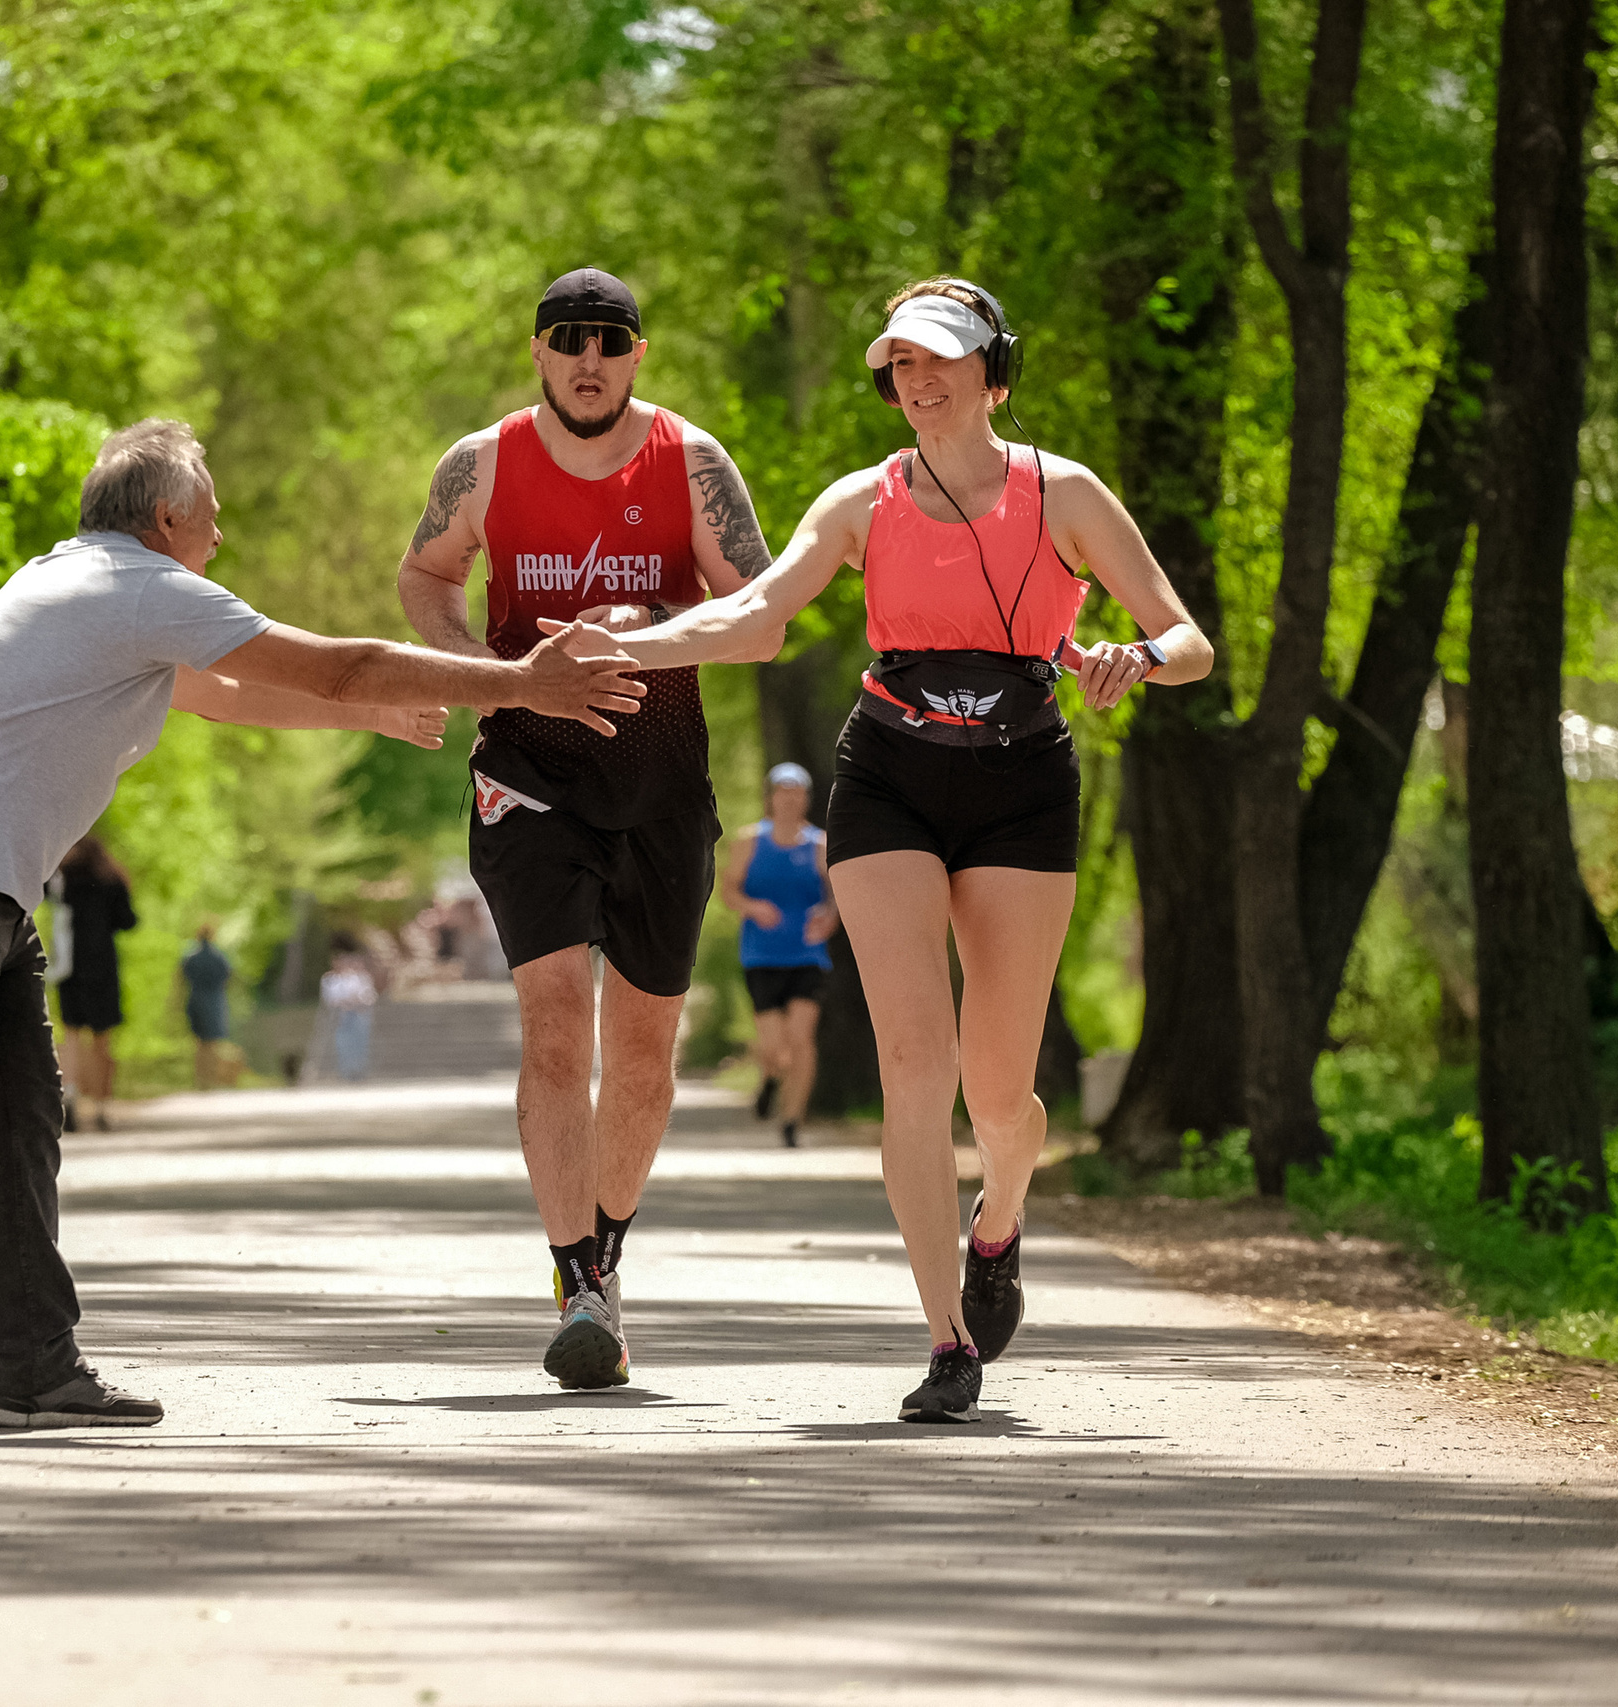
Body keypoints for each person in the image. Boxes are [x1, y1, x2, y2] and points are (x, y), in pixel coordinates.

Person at [0, 417, 648, 1437]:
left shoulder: (79, 582)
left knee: (20, 1118)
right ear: (169, 517)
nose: (218, 538)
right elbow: (335, 664)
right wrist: (524, 683)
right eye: (212, 520)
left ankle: (32, 1368)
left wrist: (361, 719)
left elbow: (217, 695)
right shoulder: (136, 587)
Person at [603, 279, 1214, 1424]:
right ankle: (945, 1339)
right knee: (913, 1067)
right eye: (899, 365)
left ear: (995, 373)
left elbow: (1191, 640)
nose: (917, 381)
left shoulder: (1063, 493)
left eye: (940, 361)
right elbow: (756, 615)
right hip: (888, 777)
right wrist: (643, 641)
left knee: (999, 1094)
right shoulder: (859, 503)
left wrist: (1139, 655)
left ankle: (999, 1224)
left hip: (1022, 786)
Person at [397, 267, 775, 1392]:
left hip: (661, 784)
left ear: (636, 356)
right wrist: (492, 676)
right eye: (569, 340)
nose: (589, 359)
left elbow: (759, 619)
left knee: (644, 1059)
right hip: (527, 777)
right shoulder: (482, 463)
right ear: (539, 352)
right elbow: (425, 576)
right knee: (556, 1025)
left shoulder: (693, 465)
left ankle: (605, 1255)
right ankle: (575, 1282)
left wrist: (649, 628)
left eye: (609, 341)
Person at [721, 761, 837, 1149]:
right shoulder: (749, 841)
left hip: (808, 954)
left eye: (797, 792)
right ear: (771, 797)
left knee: (801, 1039)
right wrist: (754, 908)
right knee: (773, 1046)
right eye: (782, 792)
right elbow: (729, 892)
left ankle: (791, 1122)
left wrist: (829, 915)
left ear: (806, 798)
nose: (789, 799)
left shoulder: (819, 844)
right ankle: (770, 1076)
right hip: (761, 956)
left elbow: (837, 894)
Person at [55, 836, 135, 1130]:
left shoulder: (63, 882)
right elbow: (128, 921)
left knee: (71, 1036)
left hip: (70, 968)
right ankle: (102, 1106)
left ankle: (71, 1099)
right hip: (103, 967)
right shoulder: (112, 880)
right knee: (102, 1040)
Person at [179, 920, 236, 1089]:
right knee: (212, 1043)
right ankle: (210, 1079)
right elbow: (228, 977)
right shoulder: (219, 957)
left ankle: (200, 1080)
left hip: (196, 999)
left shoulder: (190, 957)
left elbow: (182, 979)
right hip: (214, 1000)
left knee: (199, 1043)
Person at [320, 937, 379, 1081]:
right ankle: (346, 1071)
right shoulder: (330, 980)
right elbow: (330, 999)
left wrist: (355, 1002)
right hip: (342, 1016)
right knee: (343, 1044)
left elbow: (367, 996)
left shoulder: (359, 978)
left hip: (358, 1014)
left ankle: (359, 1070)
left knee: (359, 1043)